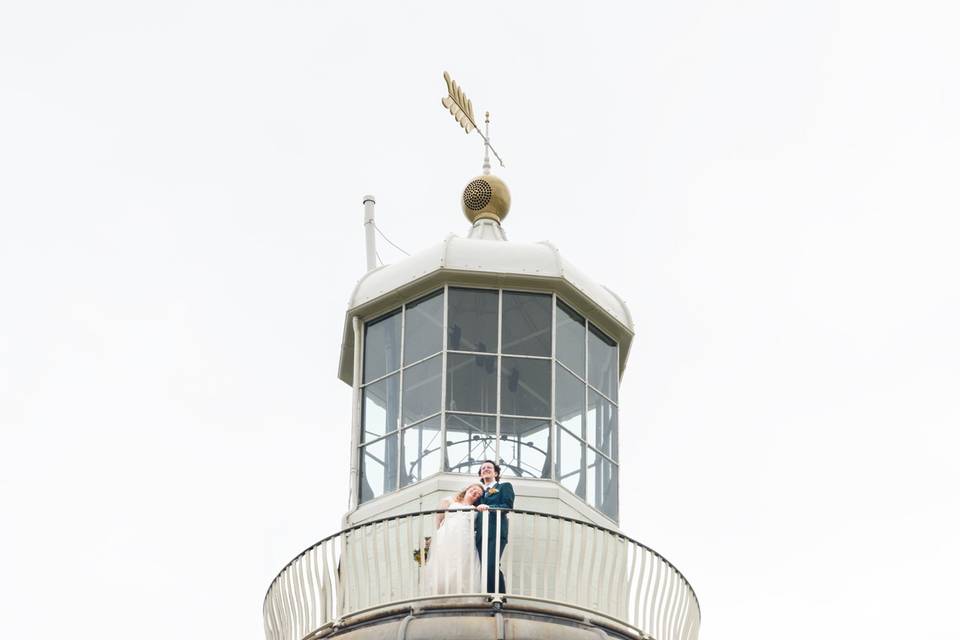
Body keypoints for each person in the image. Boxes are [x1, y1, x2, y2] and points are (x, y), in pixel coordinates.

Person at [423, 483, 484, 595]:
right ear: (467, 489)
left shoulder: (476, 509)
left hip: (465, 538)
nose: (476, 492)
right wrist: (436, 536)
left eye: (479, 494)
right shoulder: (450, 501)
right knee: (443, 561)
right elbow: (438, 519)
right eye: (474, 489)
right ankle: (440, 592)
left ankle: (459, 593)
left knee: (461, 564)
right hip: (446, 535)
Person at [473, 460, 515, 594]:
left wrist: (488, 508)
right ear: (480, 473)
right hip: (480, 533)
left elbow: (508, 505)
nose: (486, 469)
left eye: (489, 467)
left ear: (495, 472)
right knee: (482, 566)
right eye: (483, 468)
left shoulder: (504, 487)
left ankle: (499, 597)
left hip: (495, 530)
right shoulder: (478, 492)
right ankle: (487, 596)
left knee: (491, 565)